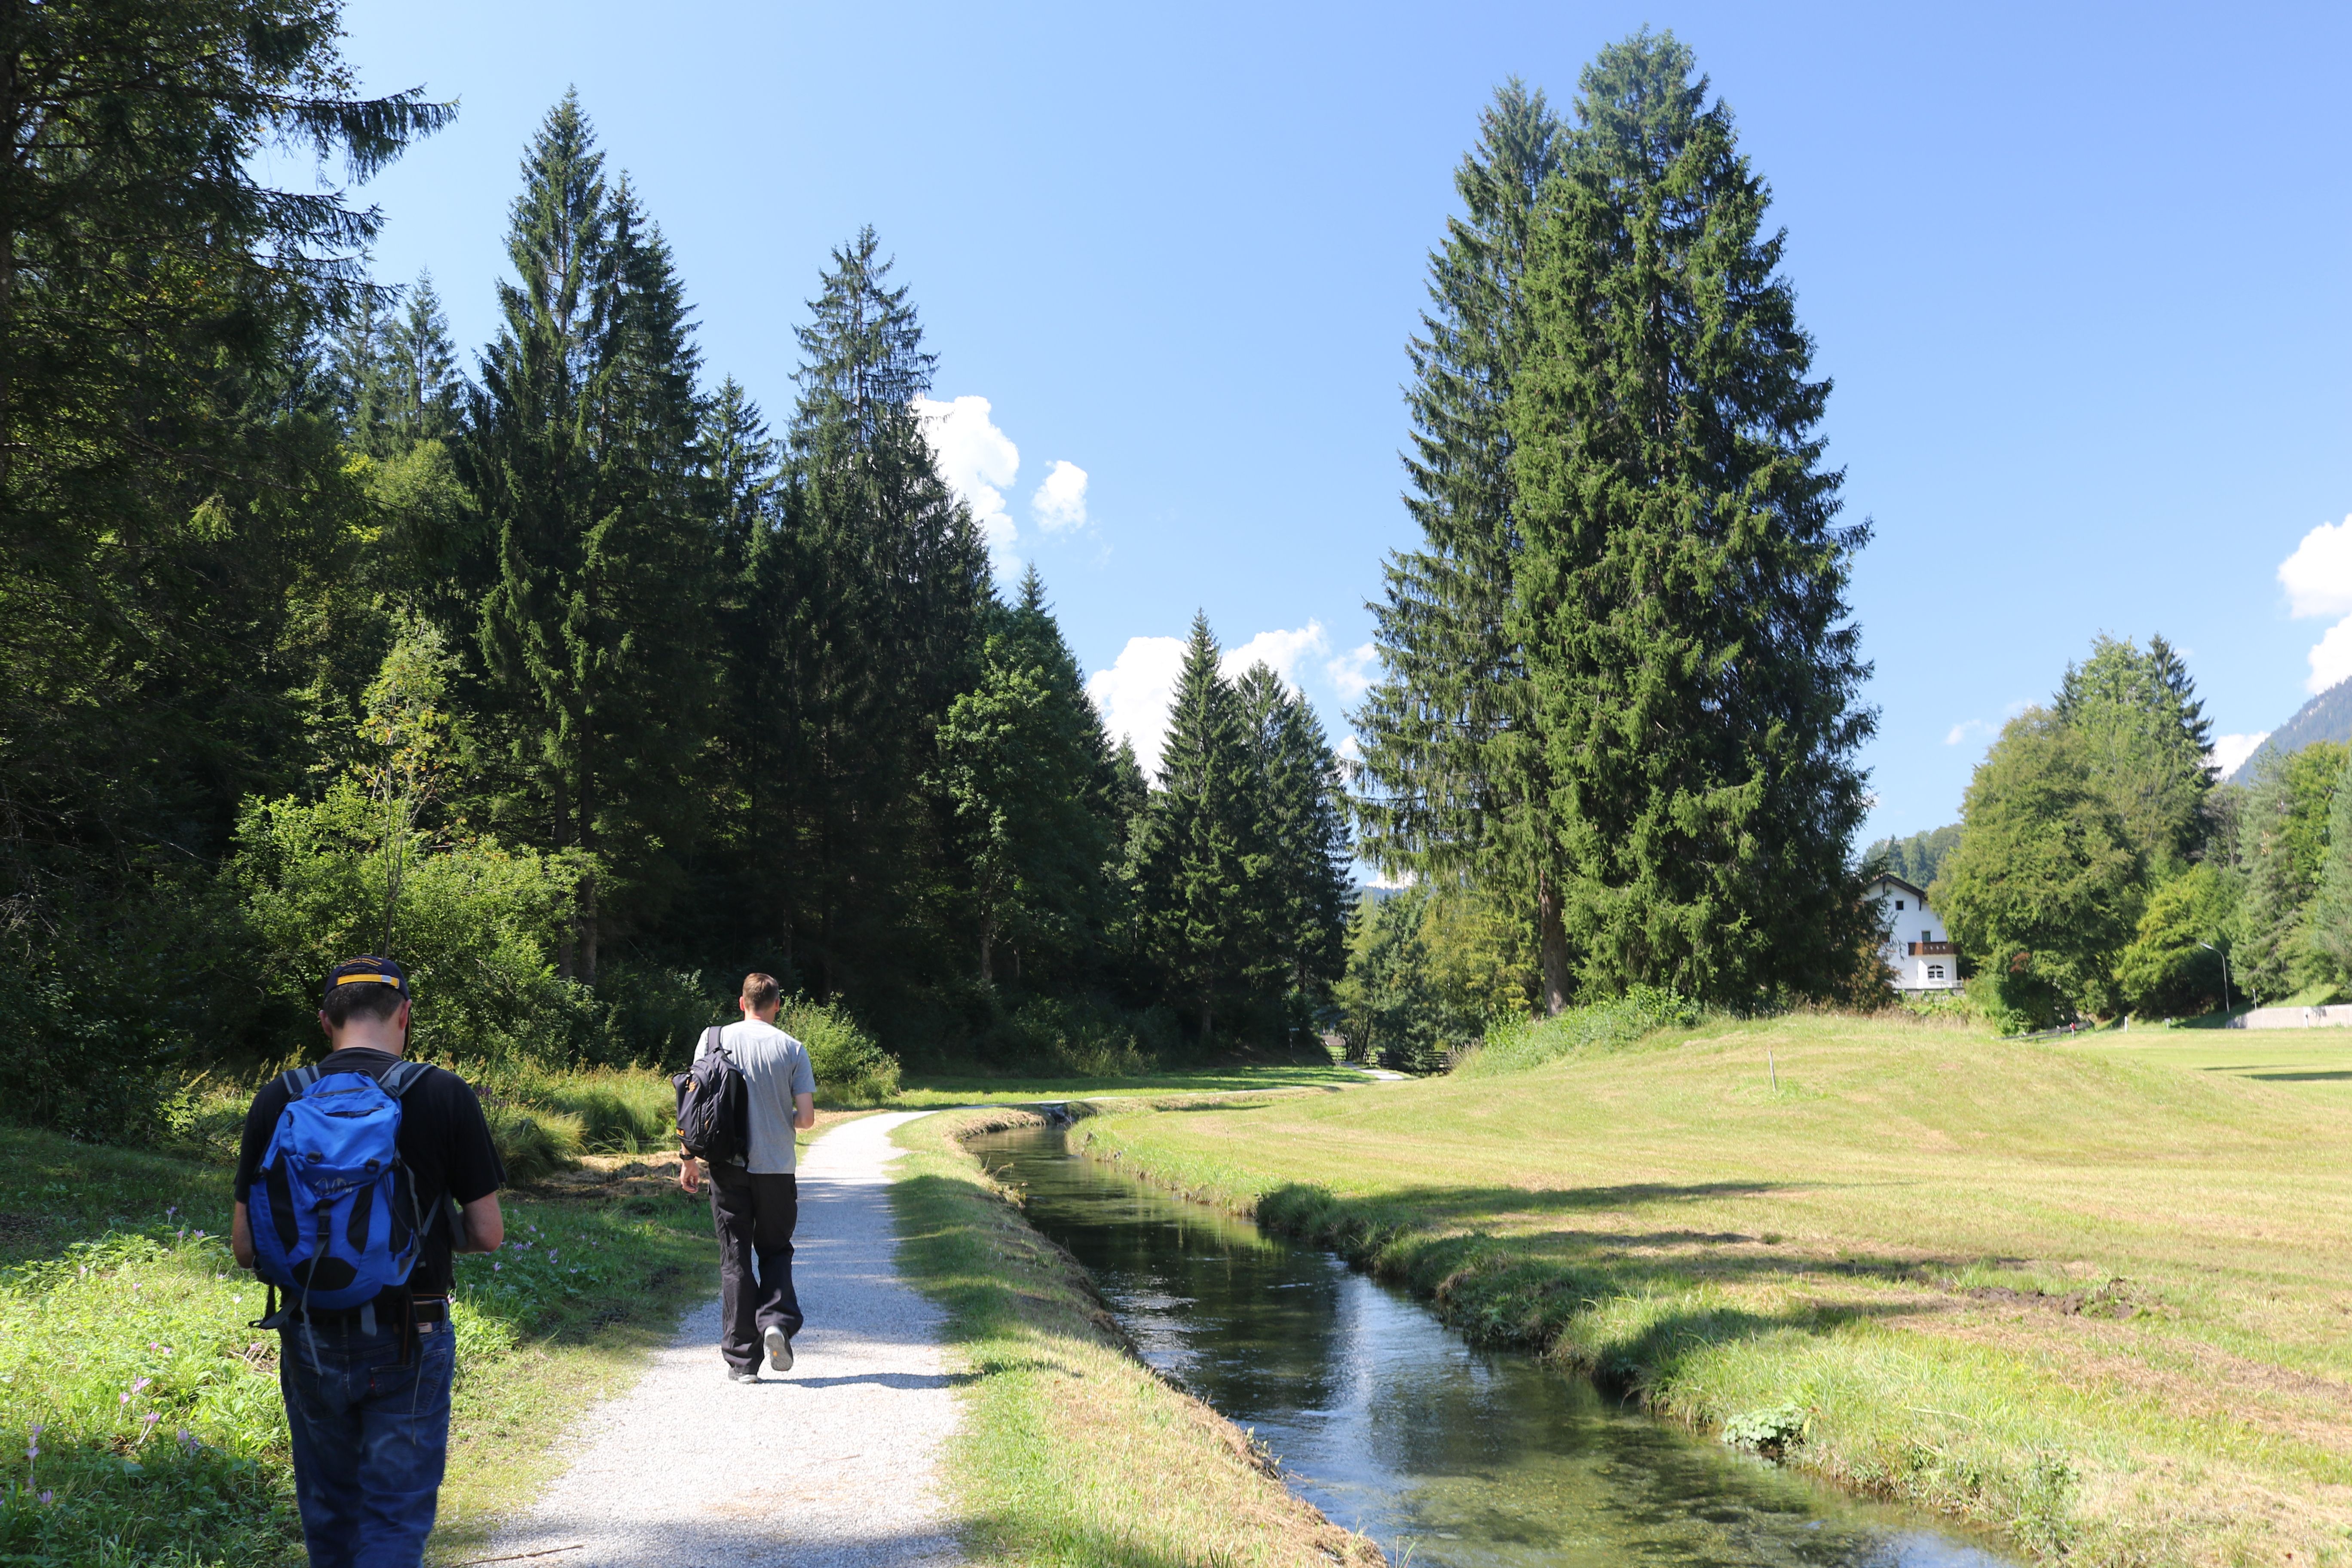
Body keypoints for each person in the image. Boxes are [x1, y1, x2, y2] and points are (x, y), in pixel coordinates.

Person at [231, 956, 505, 1568]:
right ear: (404, 1016)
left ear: (325, 1021)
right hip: (413, 1330)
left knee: (329, 1516)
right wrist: (424, 1232)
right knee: (393, 1518)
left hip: (309, 1334)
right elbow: (487, 1234)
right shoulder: (442, 1093)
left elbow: (247, 1247)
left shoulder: (280, 1097)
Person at [679, 971, 816, 1381]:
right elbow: (807, 1120)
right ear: (777, 1005)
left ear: (742, 1003)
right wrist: (779, 1116)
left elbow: (693, 1099)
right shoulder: (793, 1048)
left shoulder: (713, 1038)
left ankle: (742, 1364)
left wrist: (688, 1158)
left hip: (727, 1165)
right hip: (776, 1168)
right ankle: (775, 1321)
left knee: (735, 1258)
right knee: (775, 1249)